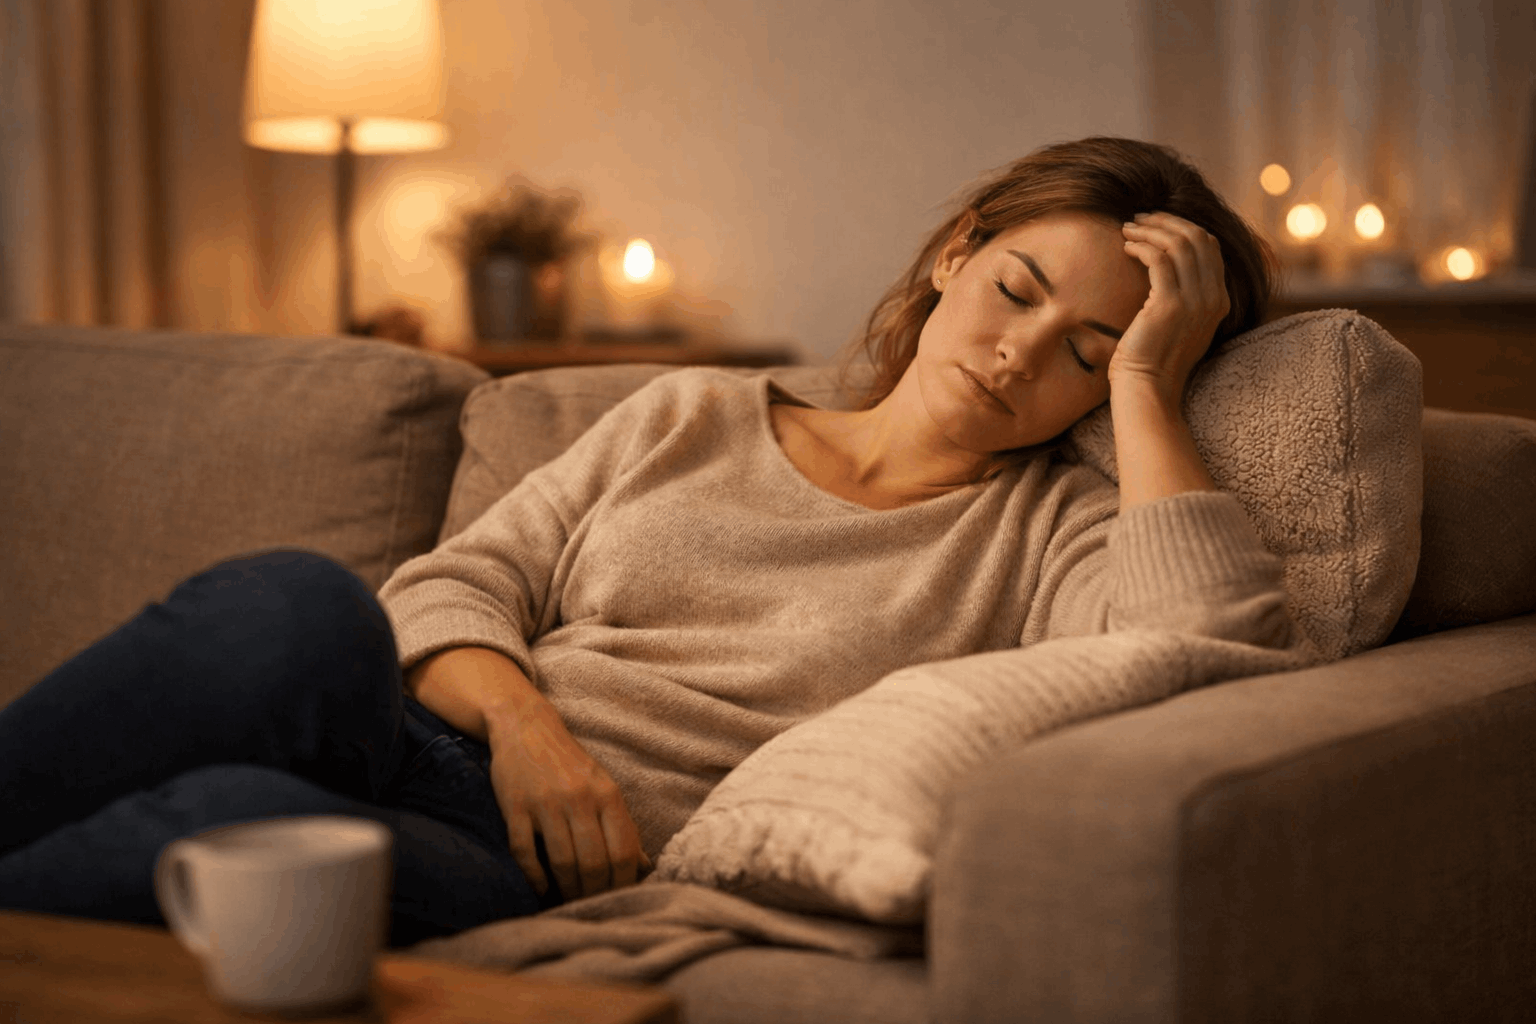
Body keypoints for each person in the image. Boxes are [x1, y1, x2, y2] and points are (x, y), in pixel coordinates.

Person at [0, 136, 1303, 947]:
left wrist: (1149, 383)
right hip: (445, 732)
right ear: (957, 257)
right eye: (1016, 289)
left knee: (244, 827)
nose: (1022, 349)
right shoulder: (690, 415)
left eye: (1088, 347)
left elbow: (1198, 644)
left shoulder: (1057, 535)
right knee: (296, 606)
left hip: (557, 865)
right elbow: (452, 589)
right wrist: (528, 731)